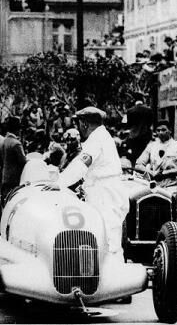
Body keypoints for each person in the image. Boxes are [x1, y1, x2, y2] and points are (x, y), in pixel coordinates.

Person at [53, 107, 129, 255]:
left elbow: (81, 165)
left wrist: (59, 183)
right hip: (103, 189)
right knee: (102, 238)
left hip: (104, 193)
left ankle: (113, 274)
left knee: (109, 241)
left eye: (79, 124)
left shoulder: (97, 139)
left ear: (84, 124)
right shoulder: (101, 136)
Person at [135, 121, 177, 188]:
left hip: (172, 186)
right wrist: (151, 172)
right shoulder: (151, 146)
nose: (160, 132)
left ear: (170, 130)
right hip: (154, 186)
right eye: (158, 130)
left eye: (163, 130)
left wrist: (166, 173)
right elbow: (138, 165)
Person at [0, 116, 27, 198]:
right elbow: (23, 161)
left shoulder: (2, 142)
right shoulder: (16, 143)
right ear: (17, 129)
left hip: (4, 178)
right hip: (15, 180)